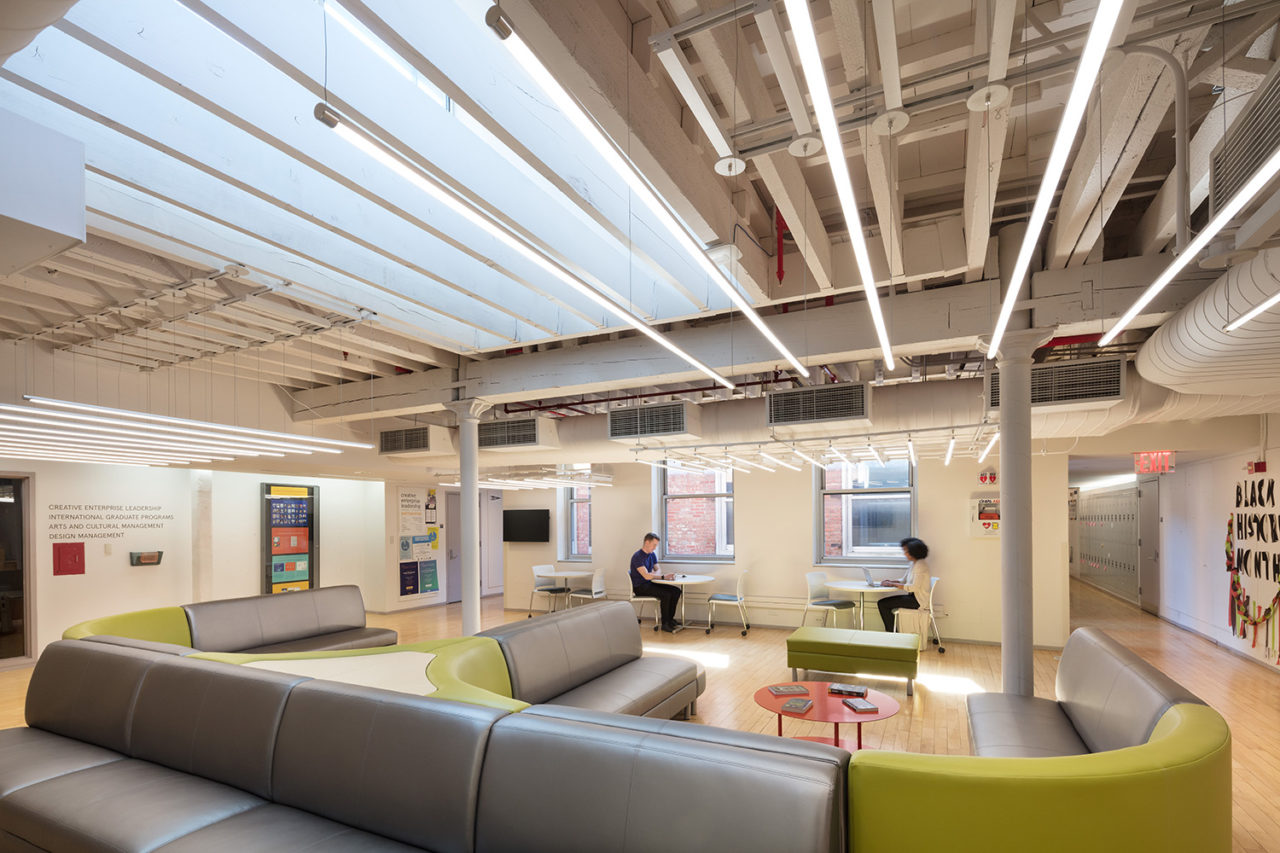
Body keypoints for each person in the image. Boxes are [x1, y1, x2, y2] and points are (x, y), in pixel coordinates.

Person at [630, 532, 682, 632]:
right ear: (647, 542)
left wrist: (655, 574)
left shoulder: (652, 554)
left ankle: (670, 620)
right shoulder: (637, 557)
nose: (655, 548)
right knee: (666, 594)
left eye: (656, 545)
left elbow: (658, 569)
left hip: (649, 583)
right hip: (640, 587)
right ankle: (665, 624)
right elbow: (646, 576)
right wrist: (662, 577)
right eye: (654, 545)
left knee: (676, 591)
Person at [877, 537, 932, 632]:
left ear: (913, 552)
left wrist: (893, 584)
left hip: (918, 601)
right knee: (883, 603)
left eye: (906, 551)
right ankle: (892, 633)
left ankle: (892, 634)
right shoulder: (914, 564)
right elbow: (904, 580)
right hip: (913, 597)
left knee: (882, 604)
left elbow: (913, 588)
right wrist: (891, 582)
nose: (904, 554)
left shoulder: (920, 566)